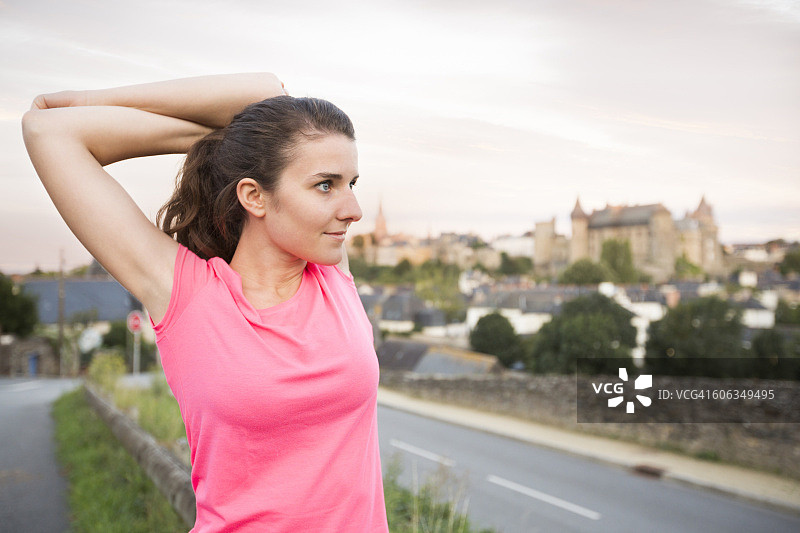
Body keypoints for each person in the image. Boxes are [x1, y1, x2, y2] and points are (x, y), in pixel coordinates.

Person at [22, 73, 389, 532]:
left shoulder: (334, 276)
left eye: (352, 182)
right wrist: (209, 141)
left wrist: (228, 145)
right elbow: (48, 130)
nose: (352, 208)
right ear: (254, 195)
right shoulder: (188, 295)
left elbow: (270, 96)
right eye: (325, 185)